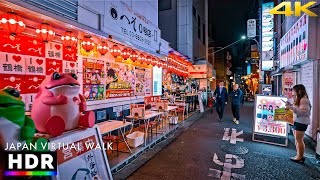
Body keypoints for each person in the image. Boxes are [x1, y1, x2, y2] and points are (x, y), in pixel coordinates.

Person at [285, 84, 311, 163]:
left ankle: (300, 157)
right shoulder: (298, 99)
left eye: (293, 90)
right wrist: (290, 106)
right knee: (297, 139)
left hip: (301, 122)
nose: (292, 92)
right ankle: (299, 155)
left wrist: (291, 107)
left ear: (298, 91)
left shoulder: (304, 100)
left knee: (299, 140)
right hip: (297, 121)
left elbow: (304, 112)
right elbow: (297, 109)